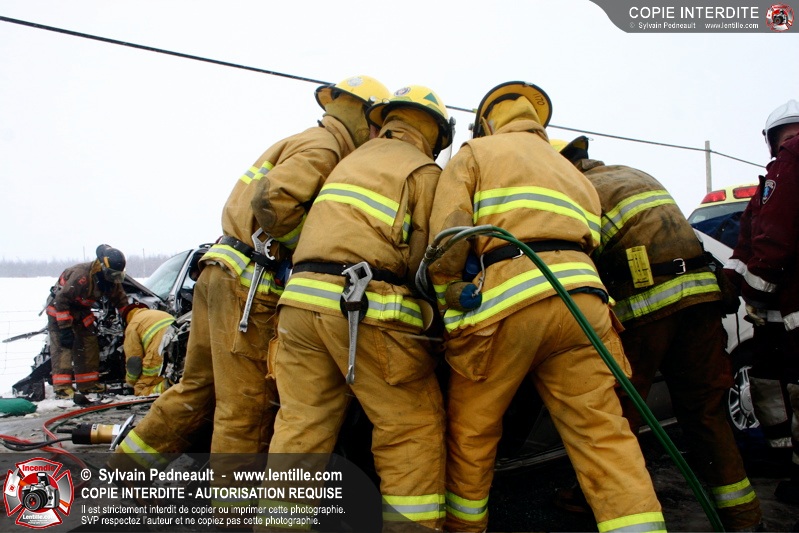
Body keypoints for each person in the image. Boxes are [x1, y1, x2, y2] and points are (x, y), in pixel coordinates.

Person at [108, 76, 391, 516]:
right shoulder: (326, 148)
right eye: (375, 124)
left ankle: (125, 471)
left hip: (220, 273)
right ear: (360, 114)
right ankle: (231, 513)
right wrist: (311, 249)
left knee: (197, 389)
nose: (376, 135)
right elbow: (274, 201)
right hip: (250, 283)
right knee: (246, 407)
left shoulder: (299, 139)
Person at [427, 81, 665, 533]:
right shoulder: (575, 174)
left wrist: (446, 292)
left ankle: (465, 527)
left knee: (473, 431)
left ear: (487, 123)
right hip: (585, 307)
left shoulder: (477, 153)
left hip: (509, 303)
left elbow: (449, 236)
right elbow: (591, 241)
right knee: (603, 435)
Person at [259, 85, 451, 530]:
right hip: (365, 309)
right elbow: (428, 262)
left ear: (387, 121)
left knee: (301, 428)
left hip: (299, 307)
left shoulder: (346, 162)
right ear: (436, 134)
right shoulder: (424, 172)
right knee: (410, 429)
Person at [551, 135, 763, 531]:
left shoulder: (574, 190)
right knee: (706, 413)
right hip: (701, 300)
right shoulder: (633, 174)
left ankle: (598, 503)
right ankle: (743, 517)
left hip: (648, 310)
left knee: (617, 414)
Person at [725, 99, 799, 508]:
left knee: (793, 389)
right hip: (775, 318)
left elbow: (774, 241)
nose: (791, 142)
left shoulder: (789, 162)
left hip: (787, 307)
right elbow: (747, 245)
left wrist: (753, 289)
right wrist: (728, 279)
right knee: (771, 382)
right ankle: (783, 459)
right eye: (787, 137)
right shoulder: (766, 187)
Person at [46, 244, 130, 399]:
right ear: (102, 268)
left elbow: (121, 300)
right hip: (60, 310)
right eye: (112, 274)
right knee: (64, 347)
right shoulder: (82, 276)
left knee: (88, 343)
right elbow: (61, 300)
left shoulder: (110, 280)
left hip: (81, 311)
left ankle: (88, 384)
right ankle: (62, 388)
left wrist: (131, 318)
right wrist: (65, 328)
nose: (114, 279)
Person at [121, 305, 176, 396]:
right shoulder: (160, 313)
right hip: (177, 348)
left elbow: (134, 361)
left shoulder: (132, 326)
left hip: (159, 353)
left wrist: (131, 381)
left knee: (139, 389)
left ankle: (169, 385)